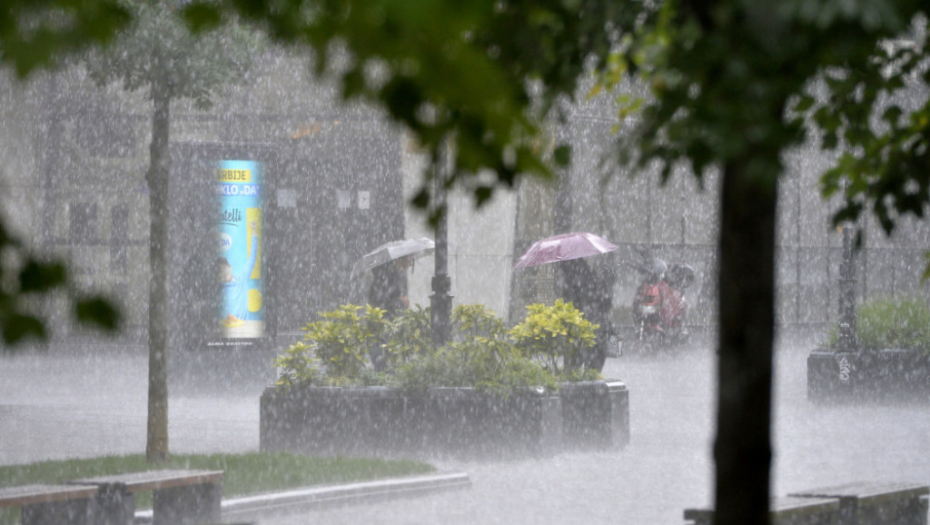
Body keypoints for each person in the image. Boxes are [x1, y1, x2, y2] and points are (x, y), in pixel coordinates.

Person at [556, 257, 615, 372]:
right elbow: (607, 303)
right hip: (596, 331)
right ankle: (592, 378)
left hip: (580, 331)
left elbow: (568, 304)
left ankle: (582, 377)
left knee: (572, 369)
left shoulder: (571, 281)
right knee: (593, 370)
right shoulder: (593, 277)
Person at [217, 221, 260, 329]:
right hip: (226, 329)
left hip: (245, 328)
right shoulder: (219, 289)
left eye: (224, 270)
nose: (224, 275)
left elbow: (252, 257)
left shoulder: (242, 277)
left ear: (230, 267)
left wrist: (255, 231)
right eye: (220, 274)